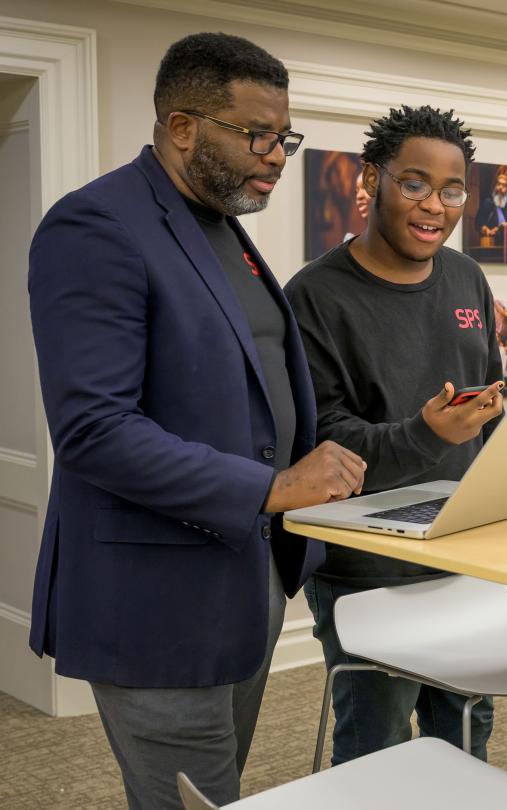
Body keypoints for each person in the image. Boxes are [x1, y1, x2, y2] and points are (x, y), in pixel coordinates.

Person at [26, 33, 368, 809]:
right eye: (259, 135)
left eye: (286, 137)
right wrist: (273, 485)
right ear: (183, 126)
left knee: (219, 793)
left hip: (239, 586)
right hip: (155, 606)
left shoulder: (219, 225)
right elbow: (93, 430)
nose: (278, 154)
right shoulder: (96, 227)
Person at [285, 106, 506, 766]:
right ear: (371, 181)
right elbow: (326, 446)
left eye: (451, 190)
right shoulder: (314, 296)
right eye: (413, 184)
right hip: (367, 569)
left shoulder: (468, 277)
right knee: (378, 751)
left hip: (467, 555)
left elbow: (487, 408)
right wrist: (425, 434)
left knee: (466, 736)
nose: (433, 205)